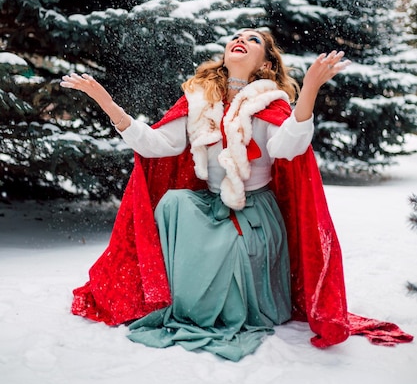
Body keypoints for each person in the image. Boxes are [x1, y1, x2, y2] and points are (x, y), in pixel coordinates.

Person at [60, 29, 413, 360]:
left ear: (266, 63)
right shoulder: (197, 101)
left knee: (233, 247)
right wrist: (105, 102)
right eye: (236, 37)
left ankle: (227, 303)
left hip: (254, 210)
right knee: (172, 203)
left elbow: (290, 145)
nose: (241, 40)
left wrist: (309, 90)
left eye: (253, 39)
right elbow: (155, 146)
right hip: (210, 204)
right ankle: (185, 303)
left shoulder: (270, 104)